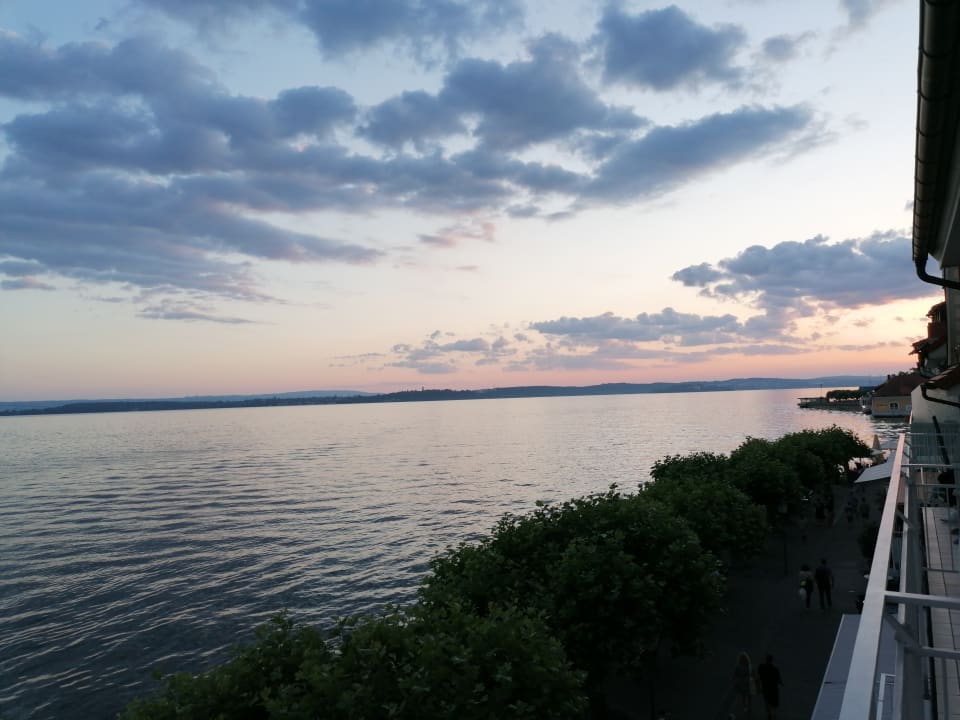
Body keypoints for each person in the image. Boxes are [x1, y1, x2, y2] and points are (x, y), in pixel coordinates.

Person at [756, 654, 782, 720]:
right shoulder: (775, 669)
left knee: (767, 701)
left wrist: (758, 686)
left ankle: (770, 713)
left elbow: (758, 677)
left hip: (765, 688)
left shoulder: (761, 667)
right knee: (772, 703)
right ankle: (771, 714)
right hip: (772, 689)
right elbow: (778, 679)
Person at [733, 651, 753, 717]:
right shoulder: (748, 665)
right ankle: (749, 707)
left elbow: (735, 674)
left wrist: (736, 680)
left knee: (744, 696)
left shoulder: (738, 666)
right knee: (749, 695)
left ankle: (745, 707)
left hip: (742, 683)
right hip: (748, 682)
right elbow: (750, 674)